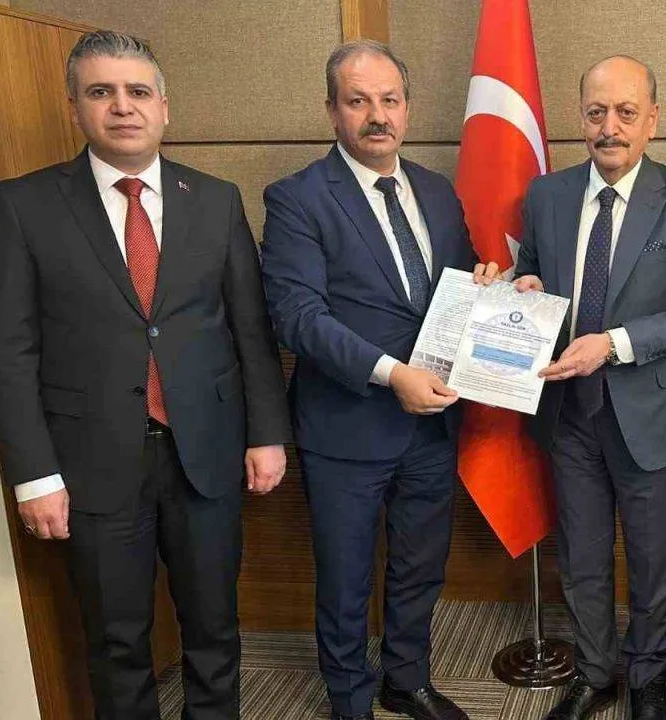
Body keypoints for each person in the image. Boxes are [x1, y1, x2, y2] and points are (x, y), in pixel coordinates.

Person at [0, 30, 291, 720]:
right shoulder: (25, 205)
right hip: (90, 465)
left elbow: (250, 329)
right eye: (102, 92)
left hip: (204, 454)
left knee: (214, 627)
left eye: (138, 91)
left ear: (164, 107)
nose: (122, 106)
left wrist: (267, 434)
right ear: (75, 107)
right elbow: (9, 351)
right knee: (116, 640)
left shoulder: (215, 199)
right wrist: (34, 475)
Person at [478, 54, 666, 720]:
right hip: (569, 415)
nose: (609, 127)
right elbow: (534, 278)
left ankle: (647, 678)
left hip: (653, 414)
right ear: (580, 118)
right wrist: (520, 288)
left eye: (625, 113)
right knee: (582, 557)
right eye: (596, 112)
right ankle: (594, 672)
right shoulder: (547, 196)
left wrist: (611, 344)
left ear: (652, 121)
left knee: (651, 559)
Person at [259, 39, 475, 720]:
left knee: (419, 565)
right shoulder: (297, 198)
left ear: (407, 108)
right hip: (346, 425)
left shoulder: (437, 192)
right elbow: (298, 318)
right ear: (332, 110)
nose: (377, 115)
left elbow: (459, 289)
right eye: (358, 101)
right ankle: (349, 699)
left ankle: (406, 679)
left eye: (389, 99)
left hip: (432, 423)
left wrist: (503, 290)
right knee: (346, 578)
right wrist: (391, 374)